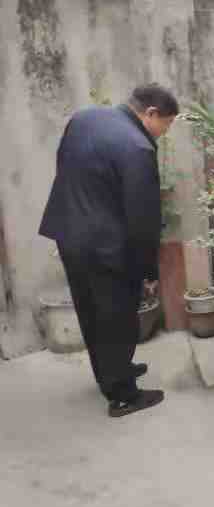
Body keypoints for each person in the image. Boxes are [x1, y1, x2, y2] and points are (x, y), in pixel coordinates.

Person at [39, 84, 179, 418]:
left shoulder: (84, 118)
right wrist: (148, 271)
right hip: (106, 246)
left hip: (69, 233)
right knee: (118, 317)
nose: (165, 132)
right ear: (151, 114)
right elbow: (143, 218)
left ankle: (110, 372)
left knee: (91, 311)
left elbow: (67, 169)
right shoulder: (137, 147)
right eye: (167, 124)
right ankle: (123, 395)